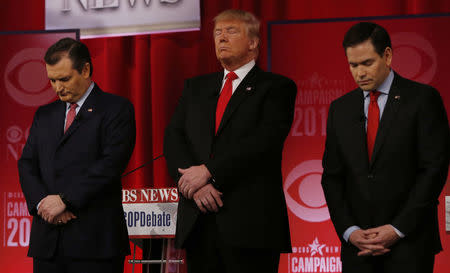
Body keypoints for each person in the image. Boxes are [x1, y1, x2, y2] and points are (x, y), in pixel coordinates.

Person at [164, 9, 296, 273]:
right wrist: (195, 185)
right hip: (198, 217)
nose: (221, 38)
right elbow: (173, 137)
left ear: (253, 42)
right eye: (217, 33)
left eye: (231, 31)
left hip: (250, 223)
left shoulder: (276, 87)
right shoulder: (195, 88)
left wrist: (209, 172)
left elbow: (263, 143)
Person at [321, 22, 449, 273]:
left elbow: (433, 170)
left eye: (367, 63)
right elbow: (332, 177)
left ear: (387, 56)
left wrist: (397, 228)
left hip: (409, 245)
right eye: (353, 65)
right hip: (358, 248)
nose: (360, 73)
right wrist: (350, 231)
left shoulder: (423, 100)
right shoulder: (340, 109)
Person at [18, 38, 136, 273]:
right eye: (52, 80)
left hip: (95, 242)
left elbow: (111, 163)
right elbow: (27, 163)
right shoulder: (45, 114)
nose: (57, 88)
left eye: (64, 79)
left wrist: (65, 200)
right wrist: (43, 203)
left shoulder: (116, 109)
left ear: (85, 70)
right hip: (48, 241)